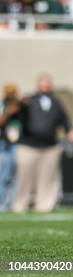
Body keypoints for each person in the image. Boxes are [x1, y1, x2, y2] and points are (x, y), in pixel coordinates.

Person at [12, 74, 73, 212]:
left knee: (47, 179)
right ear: (38, 85)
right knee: (24, 178)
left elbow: (64, 120)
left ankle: (44, 206)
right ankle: (20, 205)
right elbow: (17, 113)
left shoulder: (56, 102)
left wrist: (69, 131)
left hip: (49, 147)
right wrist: (19, 104)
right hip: (28, 146)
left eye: (47, 83)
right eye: (42, 83)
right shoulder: (28, 100)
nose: (45, 85)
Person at [0, 83, 22, 211]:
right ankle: (2, 204)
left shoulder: (20, 105)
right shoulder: (3, 105)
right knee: (4, 175)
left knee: (16, 177)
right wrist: (9, 113)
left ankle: (12, 204)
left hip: (19, 144)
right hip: (5, 144)